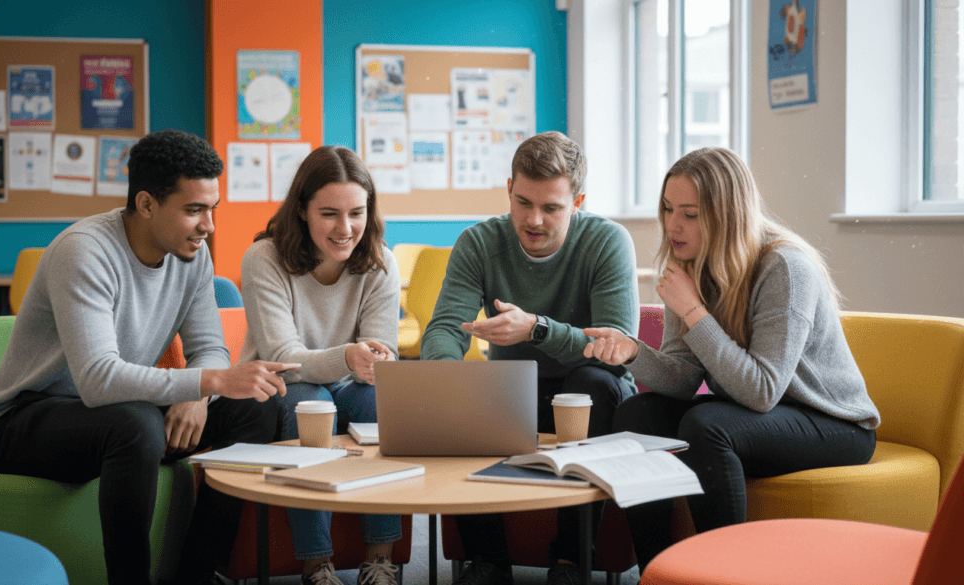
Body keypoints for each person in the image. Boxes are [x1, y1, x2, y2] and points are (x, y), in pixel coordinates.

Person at [0, 129, 296, 585]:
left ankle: (195, 575)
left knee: (255, 409)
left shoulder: (192, 256)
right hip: (24, 422)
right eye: (193, 210)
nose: (209, 226)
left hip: (115, 416)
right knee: (136, 423)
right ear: (146, 204)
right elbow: (97, 379)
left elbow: (209, 346)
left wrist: (197, 397)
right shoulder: (83, 251)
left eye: (212, 209)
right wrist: (209, 383)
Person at [583, 147, 880, 572]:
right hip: (758, 414)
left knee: (706, 426)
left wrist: (693, 312)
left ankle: (722, 576)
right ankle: (659, 573)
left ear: (729, 215)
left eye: (690, 213)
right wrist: (633, 351)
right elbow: (683, 379)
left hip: (832, 423)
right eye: (668, 209)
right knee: (636, 417)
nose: (673, 225)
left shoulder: (784, 268)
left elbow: (761, 391)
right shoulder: (690, 264)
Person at [421, 131, 640, 585]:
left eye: (552, 208)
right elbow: (445, 327)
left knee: (592, 386)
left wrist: (537, 328)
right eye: (523, 202)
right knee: (461, 385)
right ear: (508, 189)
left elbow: (615, 349)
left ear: (578, 201)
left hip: (591, 391)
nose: (533, 219)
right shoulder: (479, 242)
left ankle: (570, 560)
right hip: (513, 391)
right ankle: (488, 561)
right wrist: (444, 373)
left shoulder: (607, 241)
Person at [238, 145, 403, 585]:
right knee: (311, 401)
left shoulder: (382, 261)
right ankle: (317, 565)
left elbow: (384, 345)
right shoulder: (264, 259)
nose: (345, 228)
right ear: (302, 210)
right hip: (279, 387)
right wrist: (348, 356)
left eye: (357, 213)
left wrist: (380, 358)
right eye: (329, 213)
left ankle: (380, 559)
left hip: (348, 385)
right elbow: (283, 358)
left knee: (376, 397)